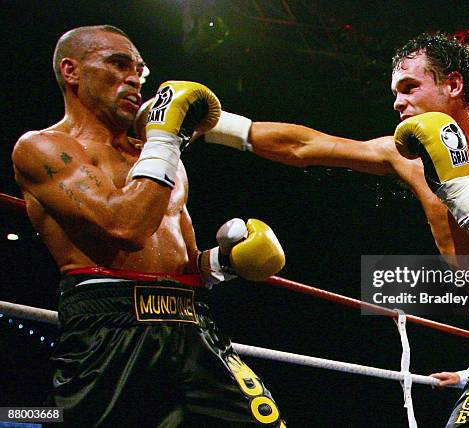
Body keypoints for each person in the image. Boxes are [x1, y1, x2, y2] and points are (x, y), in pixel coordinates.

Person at [188, 33, 469, 426]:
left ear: (454, 85)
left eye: (409, 87)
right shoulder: (404, 156)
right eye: (395, 93)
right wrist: (214, 126)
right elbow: (307, 146)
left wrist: (455, 182)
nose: (398, 103)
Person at [11, 25, 286, 427]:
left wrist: (225, 262)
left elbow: (187, 264)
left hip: (192, 322)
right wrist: (166, 139)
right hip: (110, 331)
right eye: (118, 64)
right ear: (71, 71)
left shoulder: (156, 153)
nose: (135, 79)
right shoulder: (44, 147)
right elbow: (124, 227)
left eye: (140, 70)